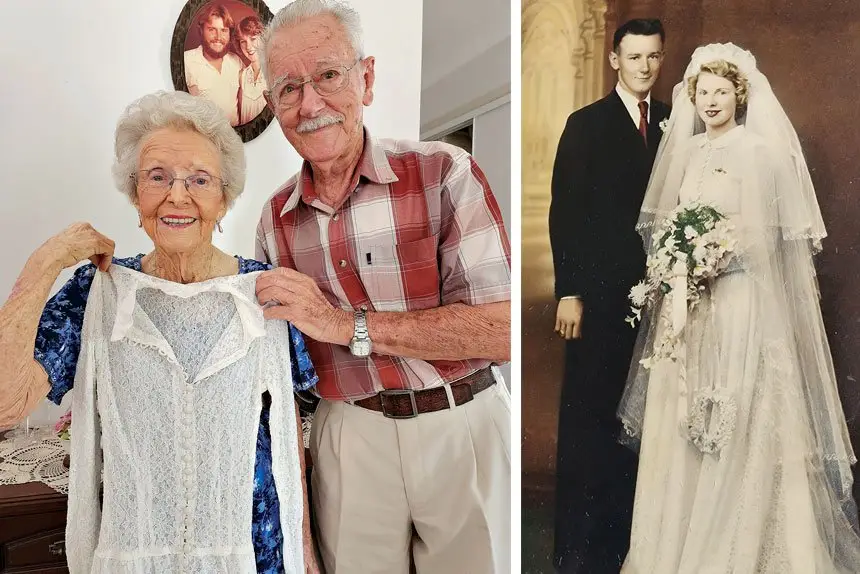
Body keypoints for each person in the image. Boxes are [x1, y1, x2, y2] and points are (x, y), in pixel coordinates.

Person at [0, 91, 320, 573]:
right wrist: (45, 262)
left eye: (199, 180)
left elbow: (284, 437)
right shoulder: (98, 292)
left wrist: (307, 558)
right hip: (137, 551)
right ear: (134, 193)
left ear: (224, 198)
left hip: (254, 552)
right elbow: (6, 401)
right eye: (157, 177)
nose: (177, 195)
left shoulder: (265, 291)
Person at [253, 1, 512, 572]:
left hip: (461, 424)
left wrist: (347, 325)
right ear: (273, 106)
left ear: (365, 79)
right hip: (348, 436)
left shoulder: (445, 172)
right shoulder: (274, 220)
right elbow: (279, 368)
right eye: (289, 88)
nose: (310, 104)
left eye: (327, 75)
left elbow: (503, 332)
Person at [618, 42, 860, 573]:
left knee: (737, 414)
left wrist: (712, 261)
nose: (710, 101)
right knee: (680, 416)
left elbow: (763, 236)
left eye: (721, 92)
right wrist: (677, 261)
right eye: (702, 92)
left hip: (737, 300)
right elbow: (670, 223)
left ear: (739, 95)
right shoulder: (688, 152)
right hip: (689, 307)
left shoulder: (758, 152)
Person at [547, 18, 670, 572]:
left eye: (653, 57)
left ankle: (627, 544)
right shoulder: (586, 123)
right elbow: (565, 212)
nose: (645, 67)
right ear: (615, 61)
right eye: (635, 57)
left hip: (661, 297)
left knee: (641, 420)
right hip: (596, 298)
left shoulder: (675, 120)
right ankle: (580, 550)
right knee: (590, 418)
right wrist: (568, 291)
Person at [184, 3, 243, 126]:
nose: (218, 37)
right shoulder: (186, 61)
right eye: (212, 30)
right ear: (201, 30)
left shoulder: (236, 61)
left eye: (224, 30)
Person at [235, 15, 268, 125]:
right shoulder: (241, 76)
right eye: (243, 41)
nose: (248, 47)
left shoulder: (273, 73)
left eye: (253, 39)